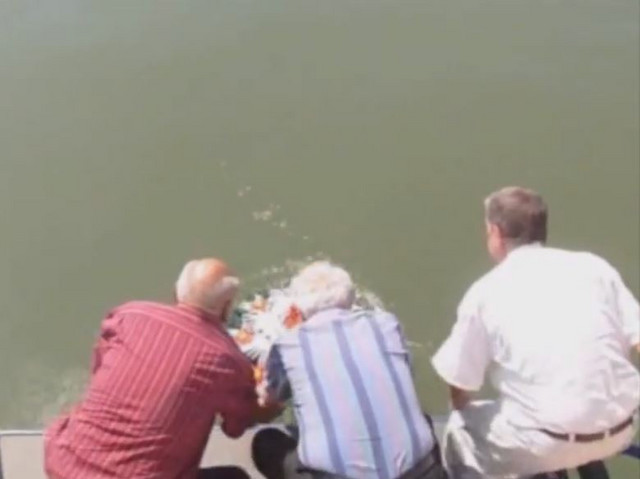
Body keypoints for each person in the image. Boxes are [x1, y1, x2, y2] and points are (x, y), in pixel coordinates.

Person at [431, 187, 640, 478]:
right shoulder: (594, 267)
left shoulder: (487, 291)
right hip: (621, 427)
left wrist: (462, 413)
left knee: (458, 430)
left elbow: (460, 381)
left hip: (544, 442)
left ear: (495, 232)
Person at [44, 258, 281, 479]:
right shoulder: (228, 360)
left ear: (176, 290)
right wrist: (272, 399)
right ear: (227, 307)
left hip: (63, 465)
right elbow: (236, 427)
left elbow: (99, 365)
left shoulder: (129, 314)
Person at [254, 261, 446, 479]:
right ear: (351, 298)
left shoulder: (288, 345)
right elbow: (405, 372)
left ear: (297, 309)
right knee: (423, 421)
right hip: (423, 474)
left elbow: (270, 400)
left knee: (266, 443)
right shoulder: (387, 325)